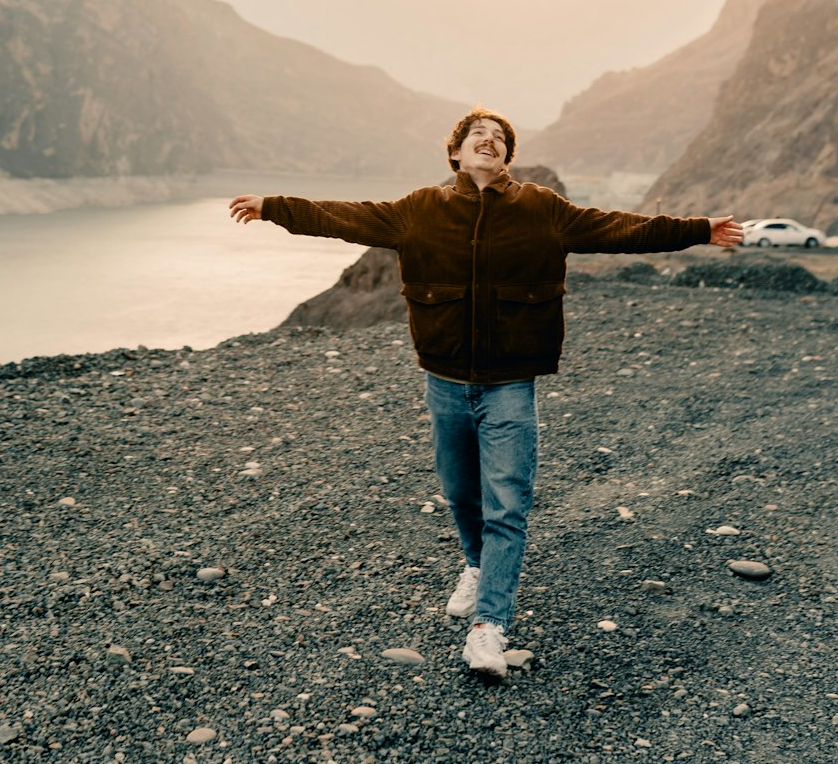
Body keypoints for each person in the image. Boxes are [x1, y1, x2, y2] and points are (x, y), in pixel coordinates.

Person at [230, 108, 743, 677]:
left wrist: (699, 229)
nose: (489, 142)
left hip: (509, 386)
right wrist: (273, 207)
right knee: (459, 492)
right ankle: (476, 566)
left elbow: (622, 227)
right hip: (444, 380)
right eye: (479, 135)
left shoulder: (542, 209)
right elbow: (340, 215)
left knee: (507, 505)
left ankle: (489, 628)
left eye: (499, 139)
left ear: (507, 157)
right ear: (456, 153)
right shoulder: (416, 211)